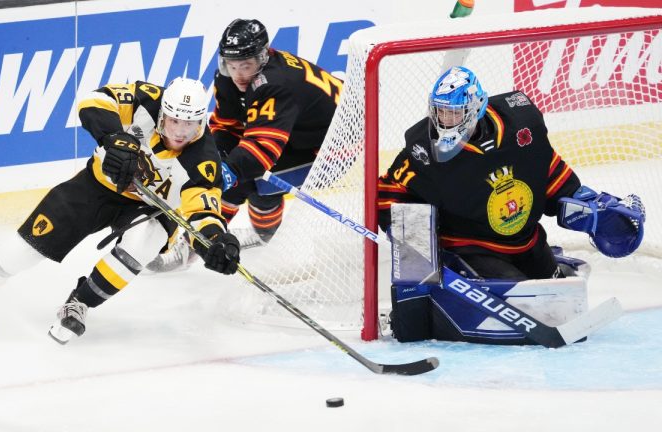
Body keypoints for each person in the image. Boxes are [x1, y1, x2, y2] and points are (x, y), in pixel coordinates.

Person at [0, 77, 241, 344]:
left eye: (190, 123)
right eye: (175, 120)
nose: (181, 131)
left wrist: (215, 242)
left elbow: (203, 212)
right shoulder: (147, 99)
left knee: (142, 243)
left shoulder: (203, 159)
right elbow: (93, 100)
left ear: (201, 121)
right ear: (163, 114)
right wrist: (116, 139)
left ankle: (80, 303)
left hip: (151, 210)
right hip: (96, 187)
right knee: (21, 252)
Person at [378, 66, 645, 343]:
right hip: (472, 249)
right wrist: (409, 236)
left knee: (561, 294)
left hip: (527, 241)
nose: (445, 121)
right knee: (535, 304)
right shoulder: (423, 150)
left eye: (454, 113)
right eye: (441, 112)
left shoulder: (521, 124)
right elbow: (390, 188)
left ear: (476, 109)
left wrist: (584, 204)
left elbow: (547, 172)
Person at [147, 18, 342, 272]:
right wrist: (212, 161)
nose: (238, 74)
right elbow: (226, 127)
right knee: (232, 167)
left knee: (246, 179)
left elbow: (261, 150)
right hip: (297, 133)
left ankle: (195, 244)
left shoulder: (275, 84)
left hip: (334, 148)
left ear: (263, 57)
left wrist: (224, 174)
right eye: (232, 65)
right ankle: (262, 234)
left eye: (246, 66)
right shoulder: (228, 76)